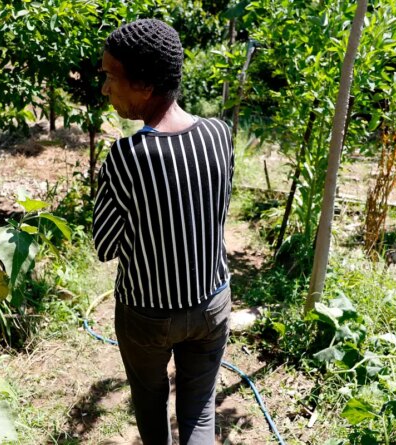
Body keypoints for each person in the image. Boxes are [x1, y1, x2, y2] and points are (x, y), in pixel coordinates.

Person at [92, 18, 234, 445]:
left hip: (146, 316)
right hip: (211, 303)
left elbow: (104, 246)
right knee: (198, 412)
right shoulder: (218, 134)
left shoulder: (126, 156)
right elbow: (217, 209)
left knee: (152, 410)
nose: (105, 88)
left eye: (111, 77)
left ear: (146, 87)